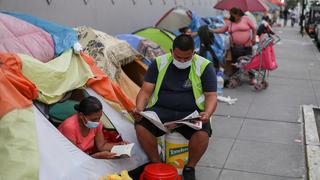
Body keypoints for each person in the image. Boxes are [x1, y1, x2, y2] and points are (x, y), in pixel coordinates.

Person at [133, 34, 217, 180]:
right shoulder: (159, 63)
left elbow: (211, 95)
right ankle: (156, 163)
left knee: (203, 134)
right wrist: (139, 108)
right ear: (171, 52)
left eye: (187, 58)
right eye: (178, 57)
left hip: (191, 114)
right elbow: (145, 91)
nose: (182, 61)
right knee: (141, 125)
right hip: (161, 111)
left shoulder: (204, 66)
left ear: (193, 53)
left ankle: (190, 167)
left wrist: (207, 113)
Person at [58, 96, 128, 159]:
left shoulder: (97, 124)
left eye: (99, 118)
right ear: (81, 115)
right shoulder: (69, 127)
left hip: (87, 157)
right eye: (94, 119)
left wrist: (119, 145)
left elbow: (102, 146)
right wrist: (96, 156)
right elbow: (72, 157)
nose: (97, 122)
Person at [211, 7, 257, 85]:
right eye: (232, 15)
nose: (235, 17)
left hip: (247, 45)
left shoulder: (246, 19)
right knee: (236, 63)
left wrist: (254, 38)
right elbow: (222, 30)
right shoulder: (230, 23)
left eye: (235, 15)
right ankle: (236, 78)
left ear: (239, 14)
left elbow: (254, 28)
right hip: (235, 47)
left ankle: (252, 77)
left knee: (248, 62)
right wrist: (212, 30)